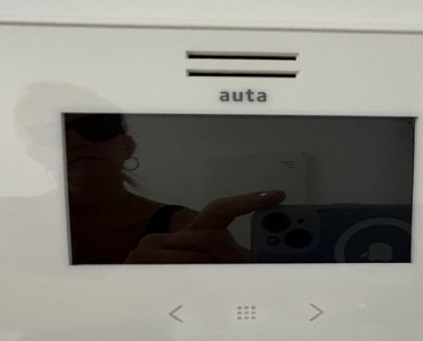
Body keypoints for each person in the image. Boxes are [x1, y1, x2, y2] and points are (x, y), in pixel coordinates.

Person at [64, 113, 285, 264]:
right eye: (52, 130)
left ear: (127, 146)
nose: (74, 140)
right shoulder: (34, 228)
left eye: (96, 126)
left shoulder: (188, 227)